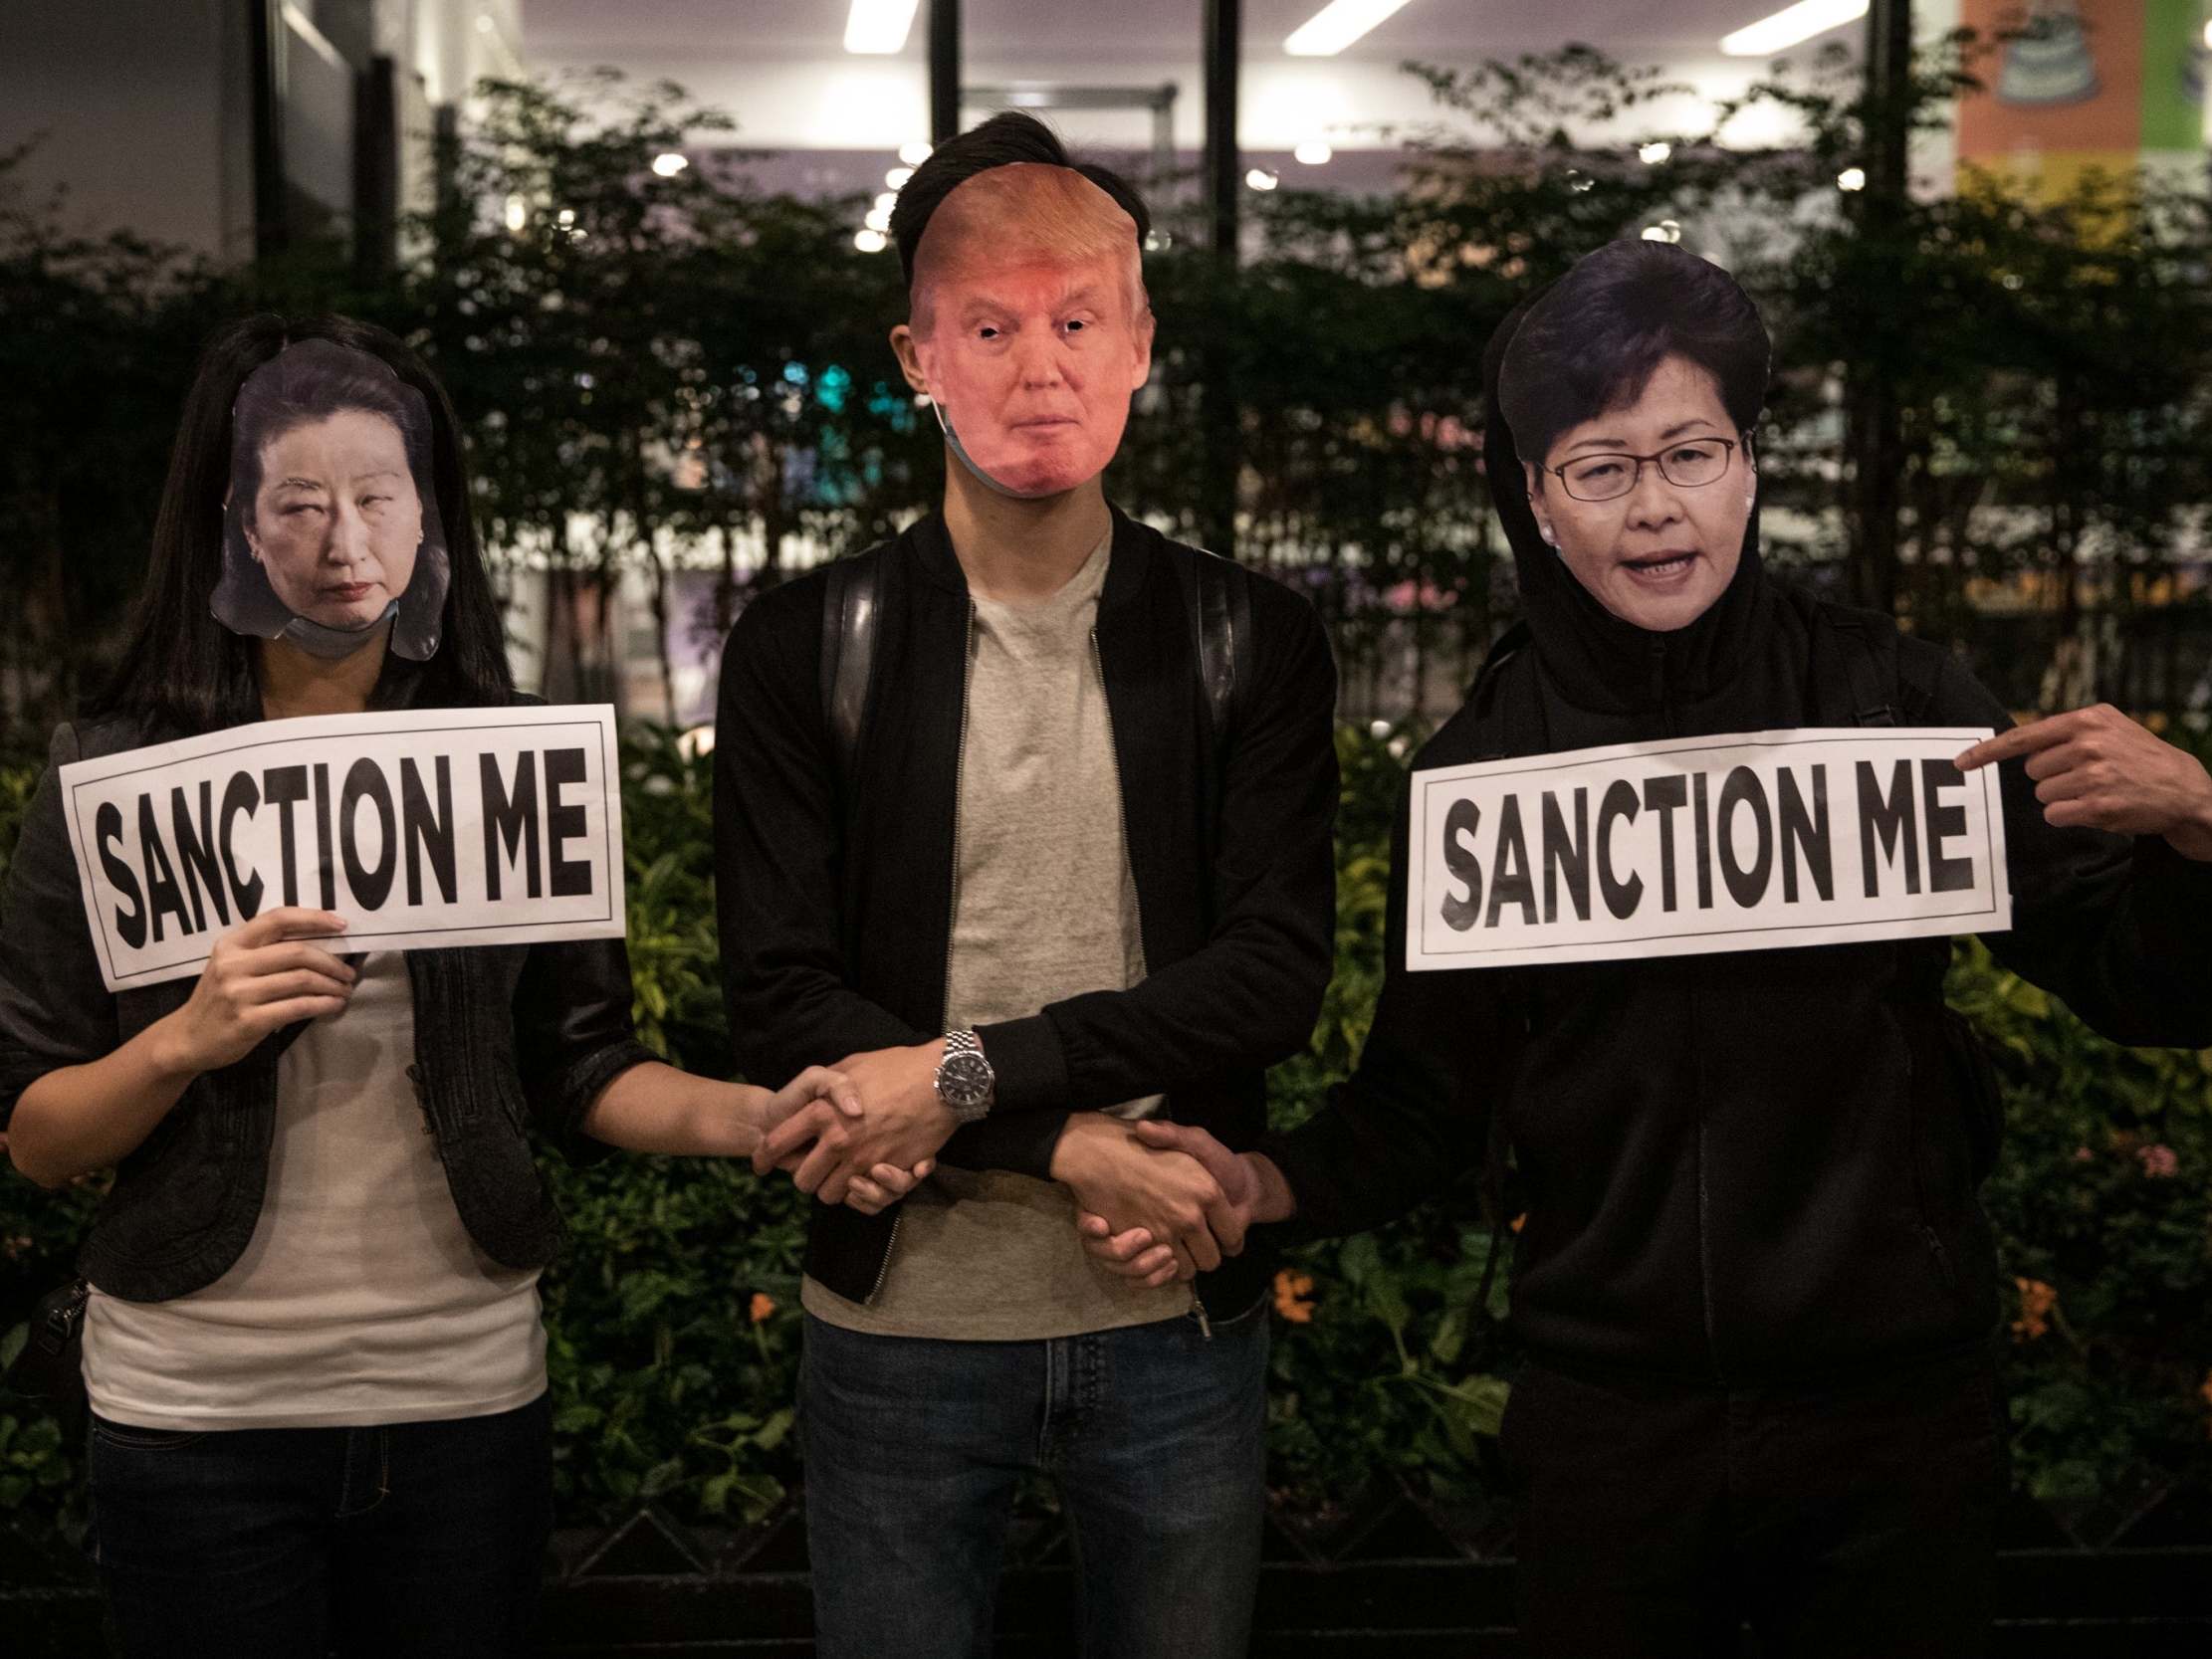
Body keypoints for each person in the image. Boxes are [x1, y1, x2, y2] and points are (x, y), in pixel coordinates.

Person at [1081, 239, 2212, 1658]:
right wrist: (1265, 1181)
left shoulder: (1897, 703)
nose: (1654, 506)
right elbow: (1426, 1102)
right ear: (1535, 500)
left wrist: (2192, 831)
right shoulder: (1484, 766)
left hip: (1891, 1415)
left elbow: (2138, 983)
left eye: (1691, 451)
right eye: (1600, 466)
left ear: (1750, 465)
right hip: (1609, 1425)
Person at [0, 315, 925, 1659]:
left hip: (462, 1402)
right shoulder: (114, 778)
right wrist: (183, 1042)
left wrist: (760, 1116)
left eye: (378, 498)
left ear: (430, 518)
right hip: (194, 1418)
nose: (343, 544)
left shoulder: (506, 761)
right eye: (298, 504)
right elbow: (33, 1136)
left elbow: (584, 1065)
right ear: (232, 524)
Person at [714, 113, 1338, 1659]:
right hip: (903, 1317)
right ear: (918, 355)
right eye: (988, 329)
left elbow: (1273, 972)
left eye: (1075, 322)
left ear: (1139, 344)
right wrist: (1068, 1141)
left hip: (1170, 1302)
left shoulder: (1247, 636)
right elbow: (777, 995)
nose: (1037, 367)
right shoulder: (809, 647)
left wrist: (963, 1075)